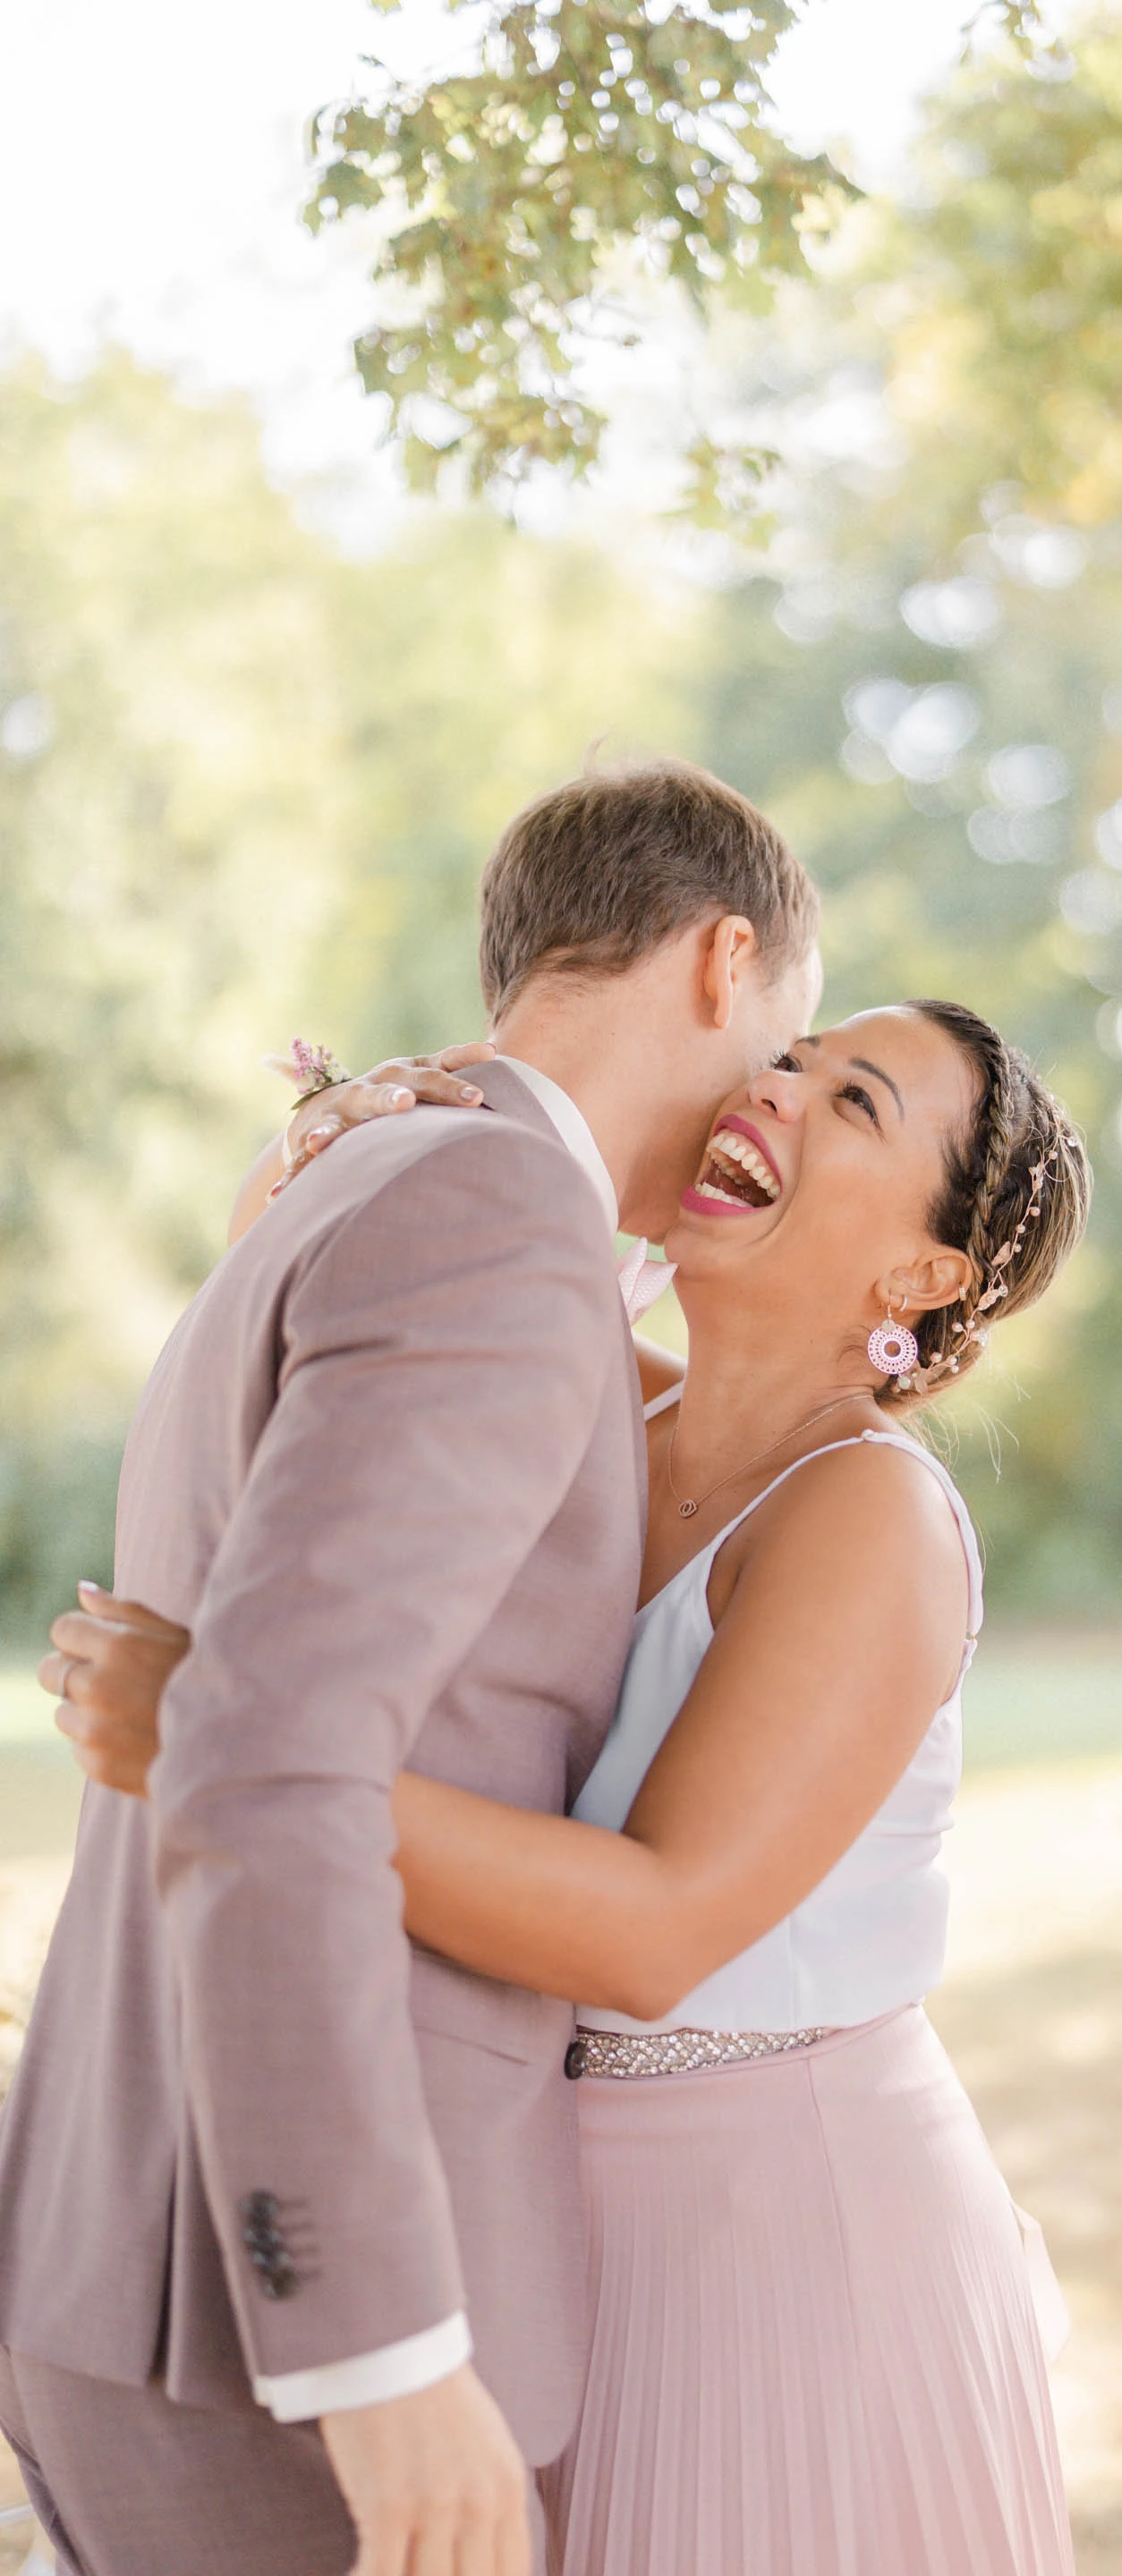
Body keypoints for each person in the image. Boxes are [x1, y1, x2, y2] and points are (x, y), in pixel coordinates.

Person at [40, 995, 1090, 2573]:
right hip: (554, 2218)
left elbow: (660, 1928)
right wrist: (337, 1147)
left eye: (855, 1100)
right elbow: (332, 1299)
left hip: (787, 2245)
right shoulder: (603, 1391)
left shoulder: (870, 1520)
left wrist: (220, 1736)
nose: (780, 1090)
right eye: (793, 1059)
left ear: (926, 1278)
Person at [0, 758, 822, 2576]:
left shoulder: (361, 1186)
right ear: (723, 958)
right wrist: (376, 2342)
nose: (775, 1102)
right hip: (293, 2319)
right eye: (789, 1044)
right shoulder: (495, 1226)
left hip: (132, 2245)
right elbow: (265, 1764)